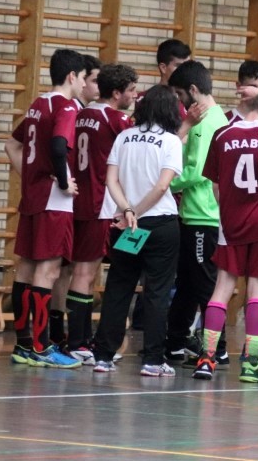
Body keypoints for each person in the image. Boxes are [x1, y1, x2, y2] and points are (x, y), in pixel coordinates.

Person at [191, 88, 258, 383]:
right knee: (257, 291)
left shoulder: (222, 135)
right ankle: (250, 363)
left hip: (231, 223)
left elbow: (215, 185)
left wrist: (229, 211)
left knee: (222, 288)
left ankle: (206, 359)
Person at [91, 85, 183, 376]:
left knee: (119, 287)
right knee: (157, 292)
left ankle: (103, 356)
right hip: (160, 224)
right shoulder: (171, 141)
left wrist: (128, 210)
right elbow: (163, 186)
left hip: (127, 225)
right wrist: (138, 212)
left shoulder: (124, 136)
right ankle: (153, 360)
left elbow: (111, 180)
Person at [4, 48, 85, 368]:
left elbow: (12, 145)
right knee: (49, 270)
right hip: (54, 202)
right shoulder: (66, 106)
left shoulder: (38, 104)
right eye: (82, 78)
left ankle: (23, 344)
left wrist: (32, 177)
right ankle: (41, 346)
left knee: (26, 266)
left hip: (33, 197)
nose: (83, 84)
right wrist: (63, 182)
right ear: (71, 76)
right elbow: (57, 146)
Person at [62, 64, 138, 365]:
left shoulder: (81, 113)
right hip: (100, 203)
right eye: (131, 90)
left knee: (83, 272)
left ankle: (83, 339)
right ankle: (78, 342)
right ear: (116, 93)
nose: (135, 95)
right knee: (85, 273)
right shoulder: (116, 119)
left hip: (78, 200)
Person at [164, 60, 230, 367]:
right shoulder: (213, 118)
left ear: (193, 90)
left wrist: (164, 184)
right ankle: (176, 341)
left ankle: (218, 347)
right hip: (193, 214)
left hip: (204, 215)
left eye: (180, 95)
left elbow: (198, 171)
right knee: (188, 284)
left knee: (204, 285)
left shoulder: (207, 122)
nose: (180, 102)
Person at [50, 53, 103, 350]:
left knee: (74, 270)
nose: (94, 85)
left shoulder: (85, 113)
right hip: (73, 200)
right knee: (66, 269)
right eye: (91, 79)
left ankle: (68, 333)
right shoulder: (71, 109)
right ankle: (61, 333)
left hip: (80, 200)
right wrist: (56, 179)